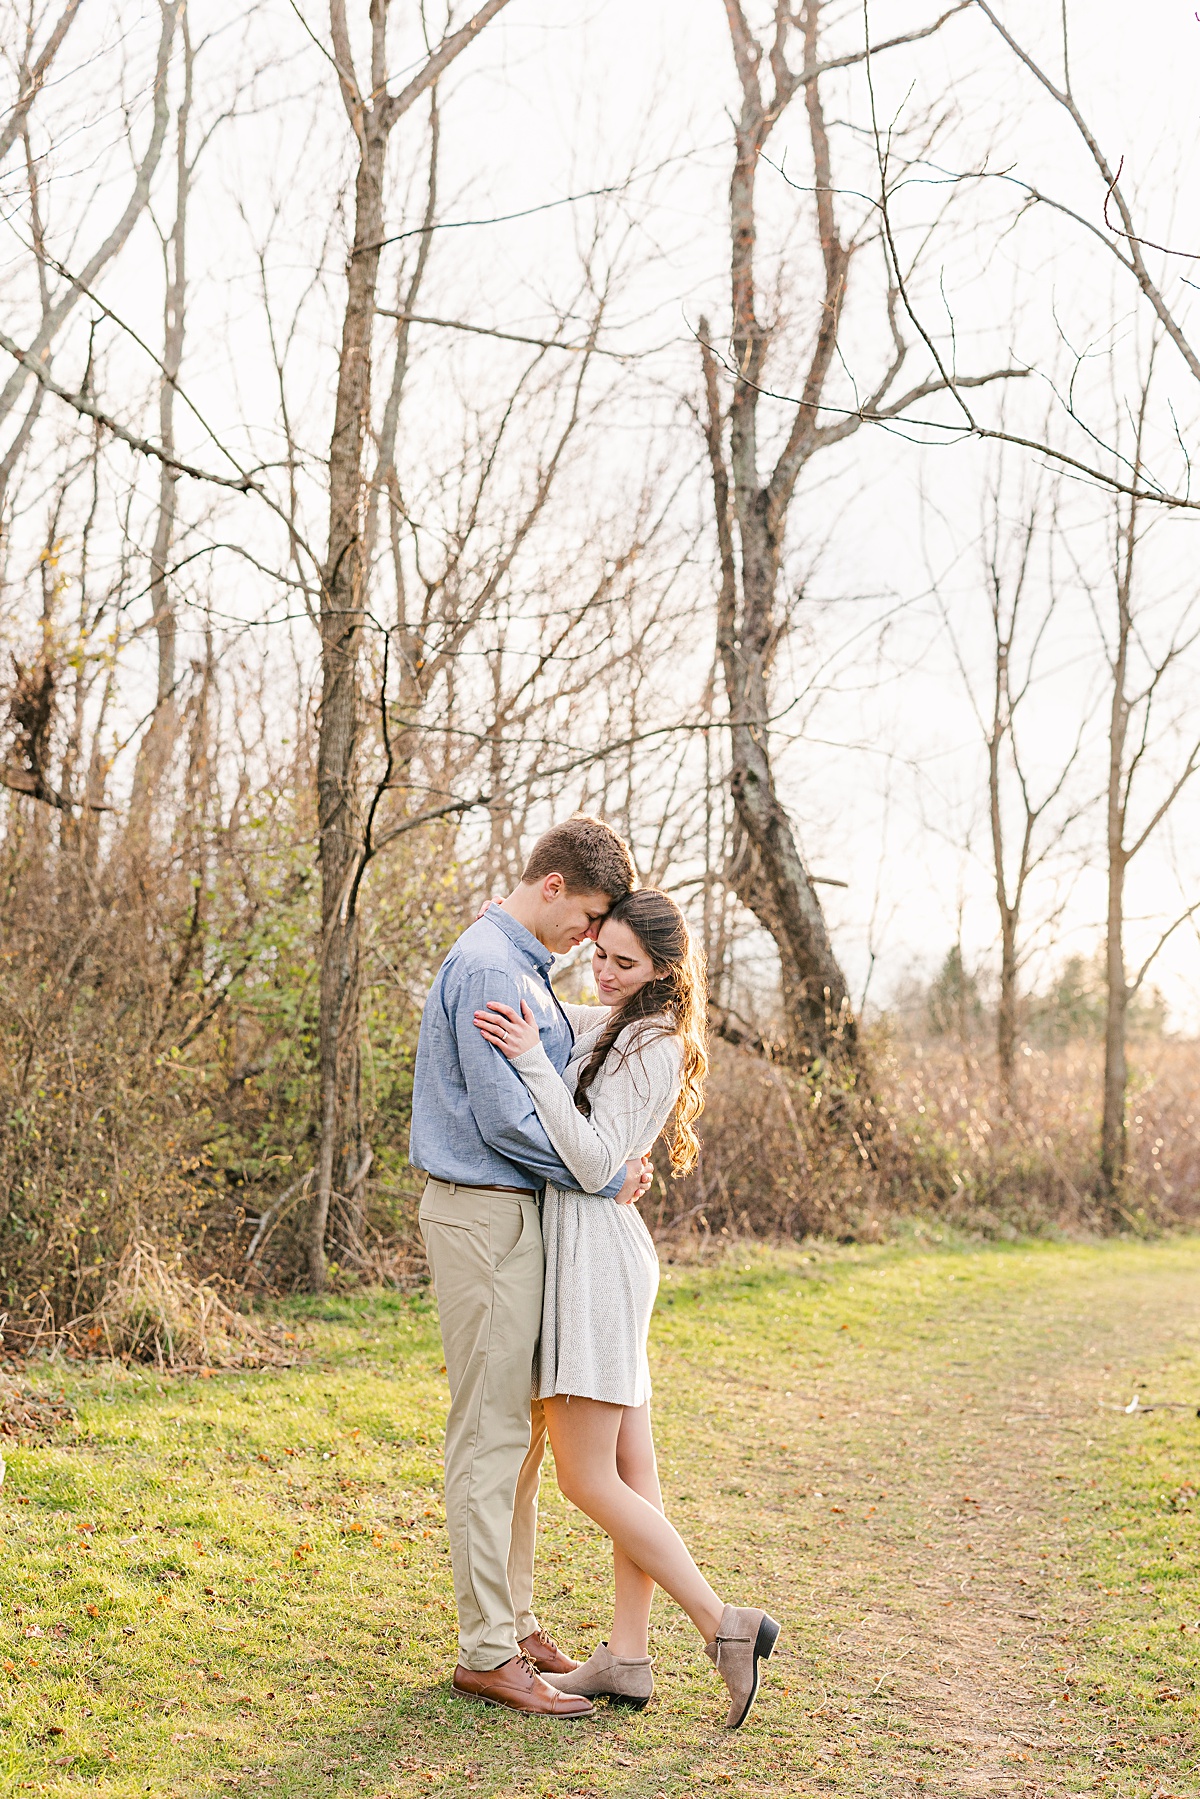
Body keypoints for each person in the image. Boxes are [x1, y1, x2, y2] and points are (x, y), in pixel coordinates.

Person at [473, 887, 780, 1729]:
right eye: (599, 953)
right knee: (633, 1473)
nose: (603, 973)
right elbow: (555, 1009)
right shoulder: (621, 1023)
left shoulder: (652, 1043)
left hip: (595, 1268)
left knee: (585, 1477)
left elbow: (592, 1157)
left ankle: (726, 1625)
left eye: (623, 963)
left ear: (662, 973)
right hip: (606, 1255)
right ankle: (628, 1658)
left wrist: (533, 1061)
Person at [410, 816, 651, 1719]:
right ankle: (485, 1652)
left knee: (521, 1436)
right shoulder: (488, 967)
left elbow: (563, 1070)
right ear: (553, 886)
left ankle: (510, 1622)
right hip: (483, 1216)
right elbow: (509, 1122)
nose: (592, 937)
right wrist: (599, 1171)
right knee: (489, 1434)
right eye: (589, 916)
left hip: (517, 1218)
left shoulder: (526, 972)